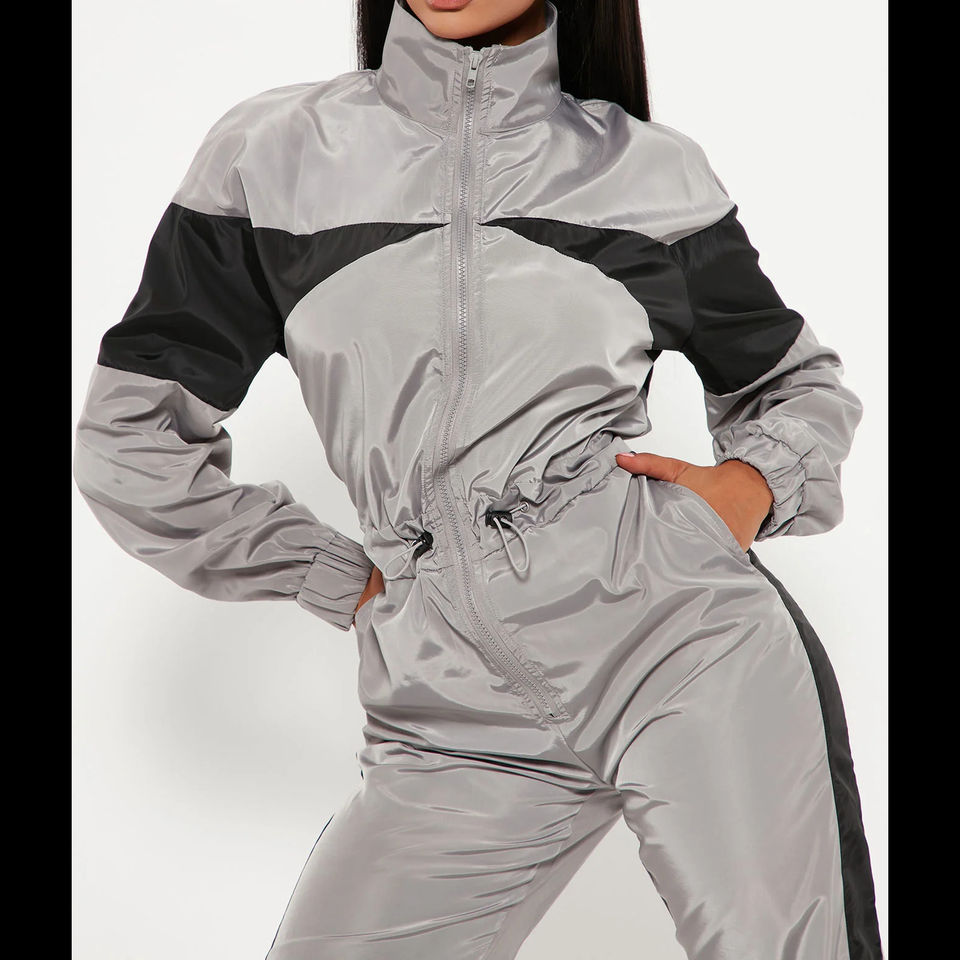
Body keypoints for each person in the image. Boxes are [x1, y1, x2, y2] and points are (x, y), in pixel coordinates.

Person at [72, 0, 883, 957]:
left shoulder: (647, 171)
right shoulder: (273, 156)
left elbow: (795, 386)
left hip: (680, 649)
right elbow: (129, 440)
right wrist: (335, 575)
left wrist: (746, 489)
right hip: (448, 708)